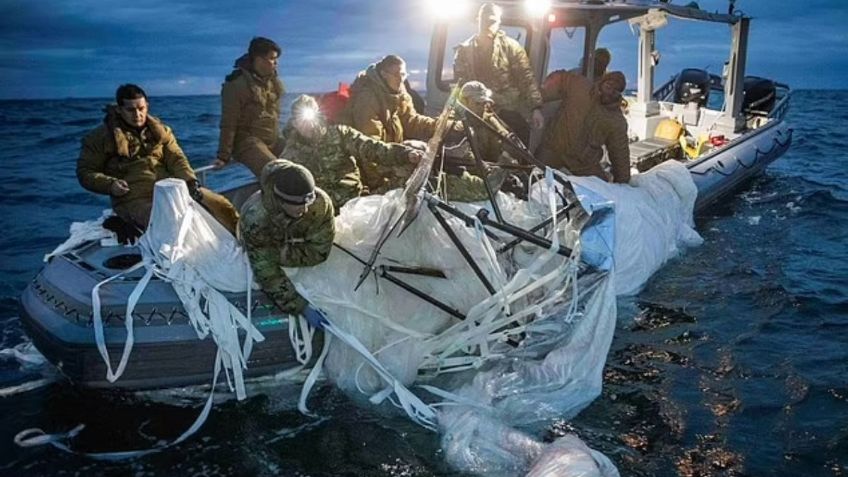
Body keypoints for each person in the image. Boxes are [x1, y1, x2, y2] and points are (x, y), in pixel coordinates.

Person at [77, 84, 239, 234]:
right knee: (169, 224)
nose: (137, 114)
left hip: (171, 189)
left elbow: (177, 158)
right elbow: (85, 172)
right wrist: (110, 185)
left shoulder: (162, 131)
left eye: (141, 108)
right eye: (130, 110)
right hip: (132, 198)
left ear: (147, 106)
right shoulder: (99, 138)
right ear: (119, 110)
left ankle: (244, 243)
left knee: (222, 205)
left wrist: (190, 182)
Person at [280, 95, 424, 210]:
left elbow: (372, 148)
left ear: (318, 117)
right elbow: (281, 183)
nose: (307, 125)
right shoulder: (290, 153)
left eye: (310, 118)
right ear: (294, 123)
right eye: (300, 120)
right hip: (319, 213)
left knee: (407, 173)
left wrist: (404, 154)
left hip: (353, 202)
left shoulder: (340, 134)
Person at [239, 160, 334, 323]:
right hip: (262, 240)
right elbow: (266, 271)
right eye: (297, 205)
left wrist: (284, 253)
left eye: (307, 202)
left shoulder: (320, 203)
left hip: (286, 243)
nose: (304, 210)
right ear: (281, 200)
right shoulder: (255, 218)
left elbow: (320, 251)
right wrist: (300, 306)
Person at [453, 2, 544, 145]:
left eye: (493, 21)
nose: (488, 24)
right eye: (485, 20)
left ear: (499, 22)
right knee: (463, 144)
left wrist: (536, 108)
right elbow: (459, 86)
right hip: (476, 112)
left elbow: (526, 78)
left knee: (518, 144)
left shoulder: (511, 48)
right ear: (479, 20)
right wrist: (457, 111)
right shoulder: (464, 51)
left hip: (507, 109)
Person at [538, 70, 631, 183]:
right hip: (553, 149)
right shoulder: (580, 86)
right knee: (533, 176)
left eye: (616, 90)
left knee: (601, 193)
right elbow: (560, 78)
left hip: (583, 164)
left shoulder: (616, 120)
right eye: (609, 85)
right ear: (602, 82)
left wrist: (623, 181)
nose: (611, 92)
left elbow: (620, 152)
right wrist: (538, 98)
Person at [212, 37, 285, 177]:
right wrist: (223, 156)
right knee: (277, 173)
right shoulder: (235, 85)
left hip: (272, 139)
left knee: (302, 161)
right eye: (272, 58)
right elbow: (229, 122)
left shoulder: (272, 82)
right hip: (247, 142)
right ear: (259, 59)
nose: (276, 63)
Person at [340, 55, 441, 143]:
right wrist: (401, 153)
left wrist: (441, 126)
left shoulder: (400, 94)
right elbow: (371, 143)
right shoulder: (367, 98)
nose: (401, 79)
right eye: (396, 74)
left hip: (390, 153)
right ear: (384, 74)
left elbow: (411, 121)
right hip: (373, 158)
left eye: (403, 74)